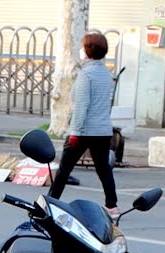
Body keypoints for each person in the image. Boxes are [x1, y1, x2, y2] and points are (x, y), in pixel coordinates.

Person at [49, 32, 119, 217]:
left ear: (87, 51)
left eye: (82, 47)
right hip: (103, 130)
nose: (80, 50)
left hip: (84, 130)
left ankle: (51, 201)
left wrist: (75, 132)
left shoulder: (85, 75)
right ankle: (112, 206)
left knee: (64, 169)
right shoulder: (106, 74)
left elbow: (81, 106)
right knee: (104, 169)